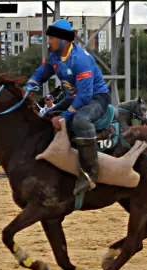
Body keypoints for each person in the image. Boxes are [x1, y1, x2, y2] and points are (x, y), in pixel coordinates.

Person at [24, 18, 110, 195]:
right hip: (73, 98)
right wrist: (29, 86)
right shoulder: (54, 55)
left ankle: (89, 174)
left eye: (51, 38)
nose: (48, 41)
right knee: (45, 117)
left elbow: (85, 96)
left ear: (64, 40)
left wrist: (66, 116)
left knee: (80, 120)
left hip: (95, 99)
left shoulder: (80, 60)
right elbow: (42, 73)